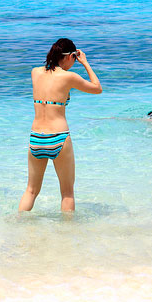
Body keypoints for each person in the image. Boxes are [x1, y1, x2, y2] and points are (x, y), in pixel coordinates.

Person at [18, 38, 102, 212]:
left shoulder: (35, 72)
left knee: (31, 191)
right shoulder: (69, 77)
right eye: (74, 59)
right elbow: (97, 88)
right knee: (67, 193)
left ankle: (18, 224)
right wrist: (85, 63)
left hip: (36, 138)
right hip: (59, 137)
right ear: (71, 56)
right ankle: (67, 229)